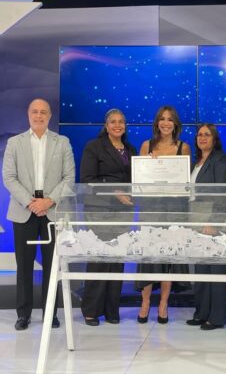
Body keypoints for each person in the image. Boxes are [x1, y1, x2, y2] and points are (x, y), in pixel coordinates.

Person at [2, 98, 75, 331]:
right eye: (35, 111)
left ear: (50, 116)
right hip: (24, 210)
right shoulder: (14, 143)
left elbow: (69, 178)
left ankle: (50, 314)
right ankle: (23, 314)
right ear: (28, 114)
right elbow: (9, 177)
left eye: (43, 112)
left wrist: (49, 200)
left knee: (52, 266)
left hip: (52, 211)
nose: (39, 116)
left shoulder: (62, 142)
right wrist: (30, 202)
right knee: (24, 265)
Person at [79, 108, 136, 326]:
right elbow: (87, 179)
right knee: (99, 258)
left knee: (117, 259)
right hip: (99, 210)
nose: (117, 125)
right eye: (113, 121)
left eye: (121, 121)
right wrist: (114, 191)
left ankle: (112, 310)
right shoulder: (94, 147)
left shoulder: (130, 150)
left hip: (123, 211)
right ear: (106, 125)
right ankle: (91, 310)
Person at [135, 105, 191, 324]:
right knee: (149, 257)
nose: (166, 123)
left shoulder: (183, 148)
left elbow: (185, 183)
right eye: (162, 119)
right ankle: (145, 303)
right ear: (157, 123)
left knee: (168, 257)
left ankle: (163, 304)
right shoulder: (146, 146)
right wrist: (148, 168)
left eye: (170, 119)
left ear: (175, 124)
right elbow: (139, 180)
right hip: (150, 209)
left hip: (174, 210)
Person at [186, 123, 226, 331]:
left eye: (207, 134)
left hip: (211, 218)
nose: (202, 138)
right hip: (195, 217)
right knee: (201, 268)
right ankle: (202, 313)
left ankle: (217, 317)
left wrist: (214, 221)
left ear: (214, 139)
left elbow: (222, 192)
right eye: (199, 135)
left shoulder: (220, 160)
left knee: (216, 269)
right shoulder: (196, 163)